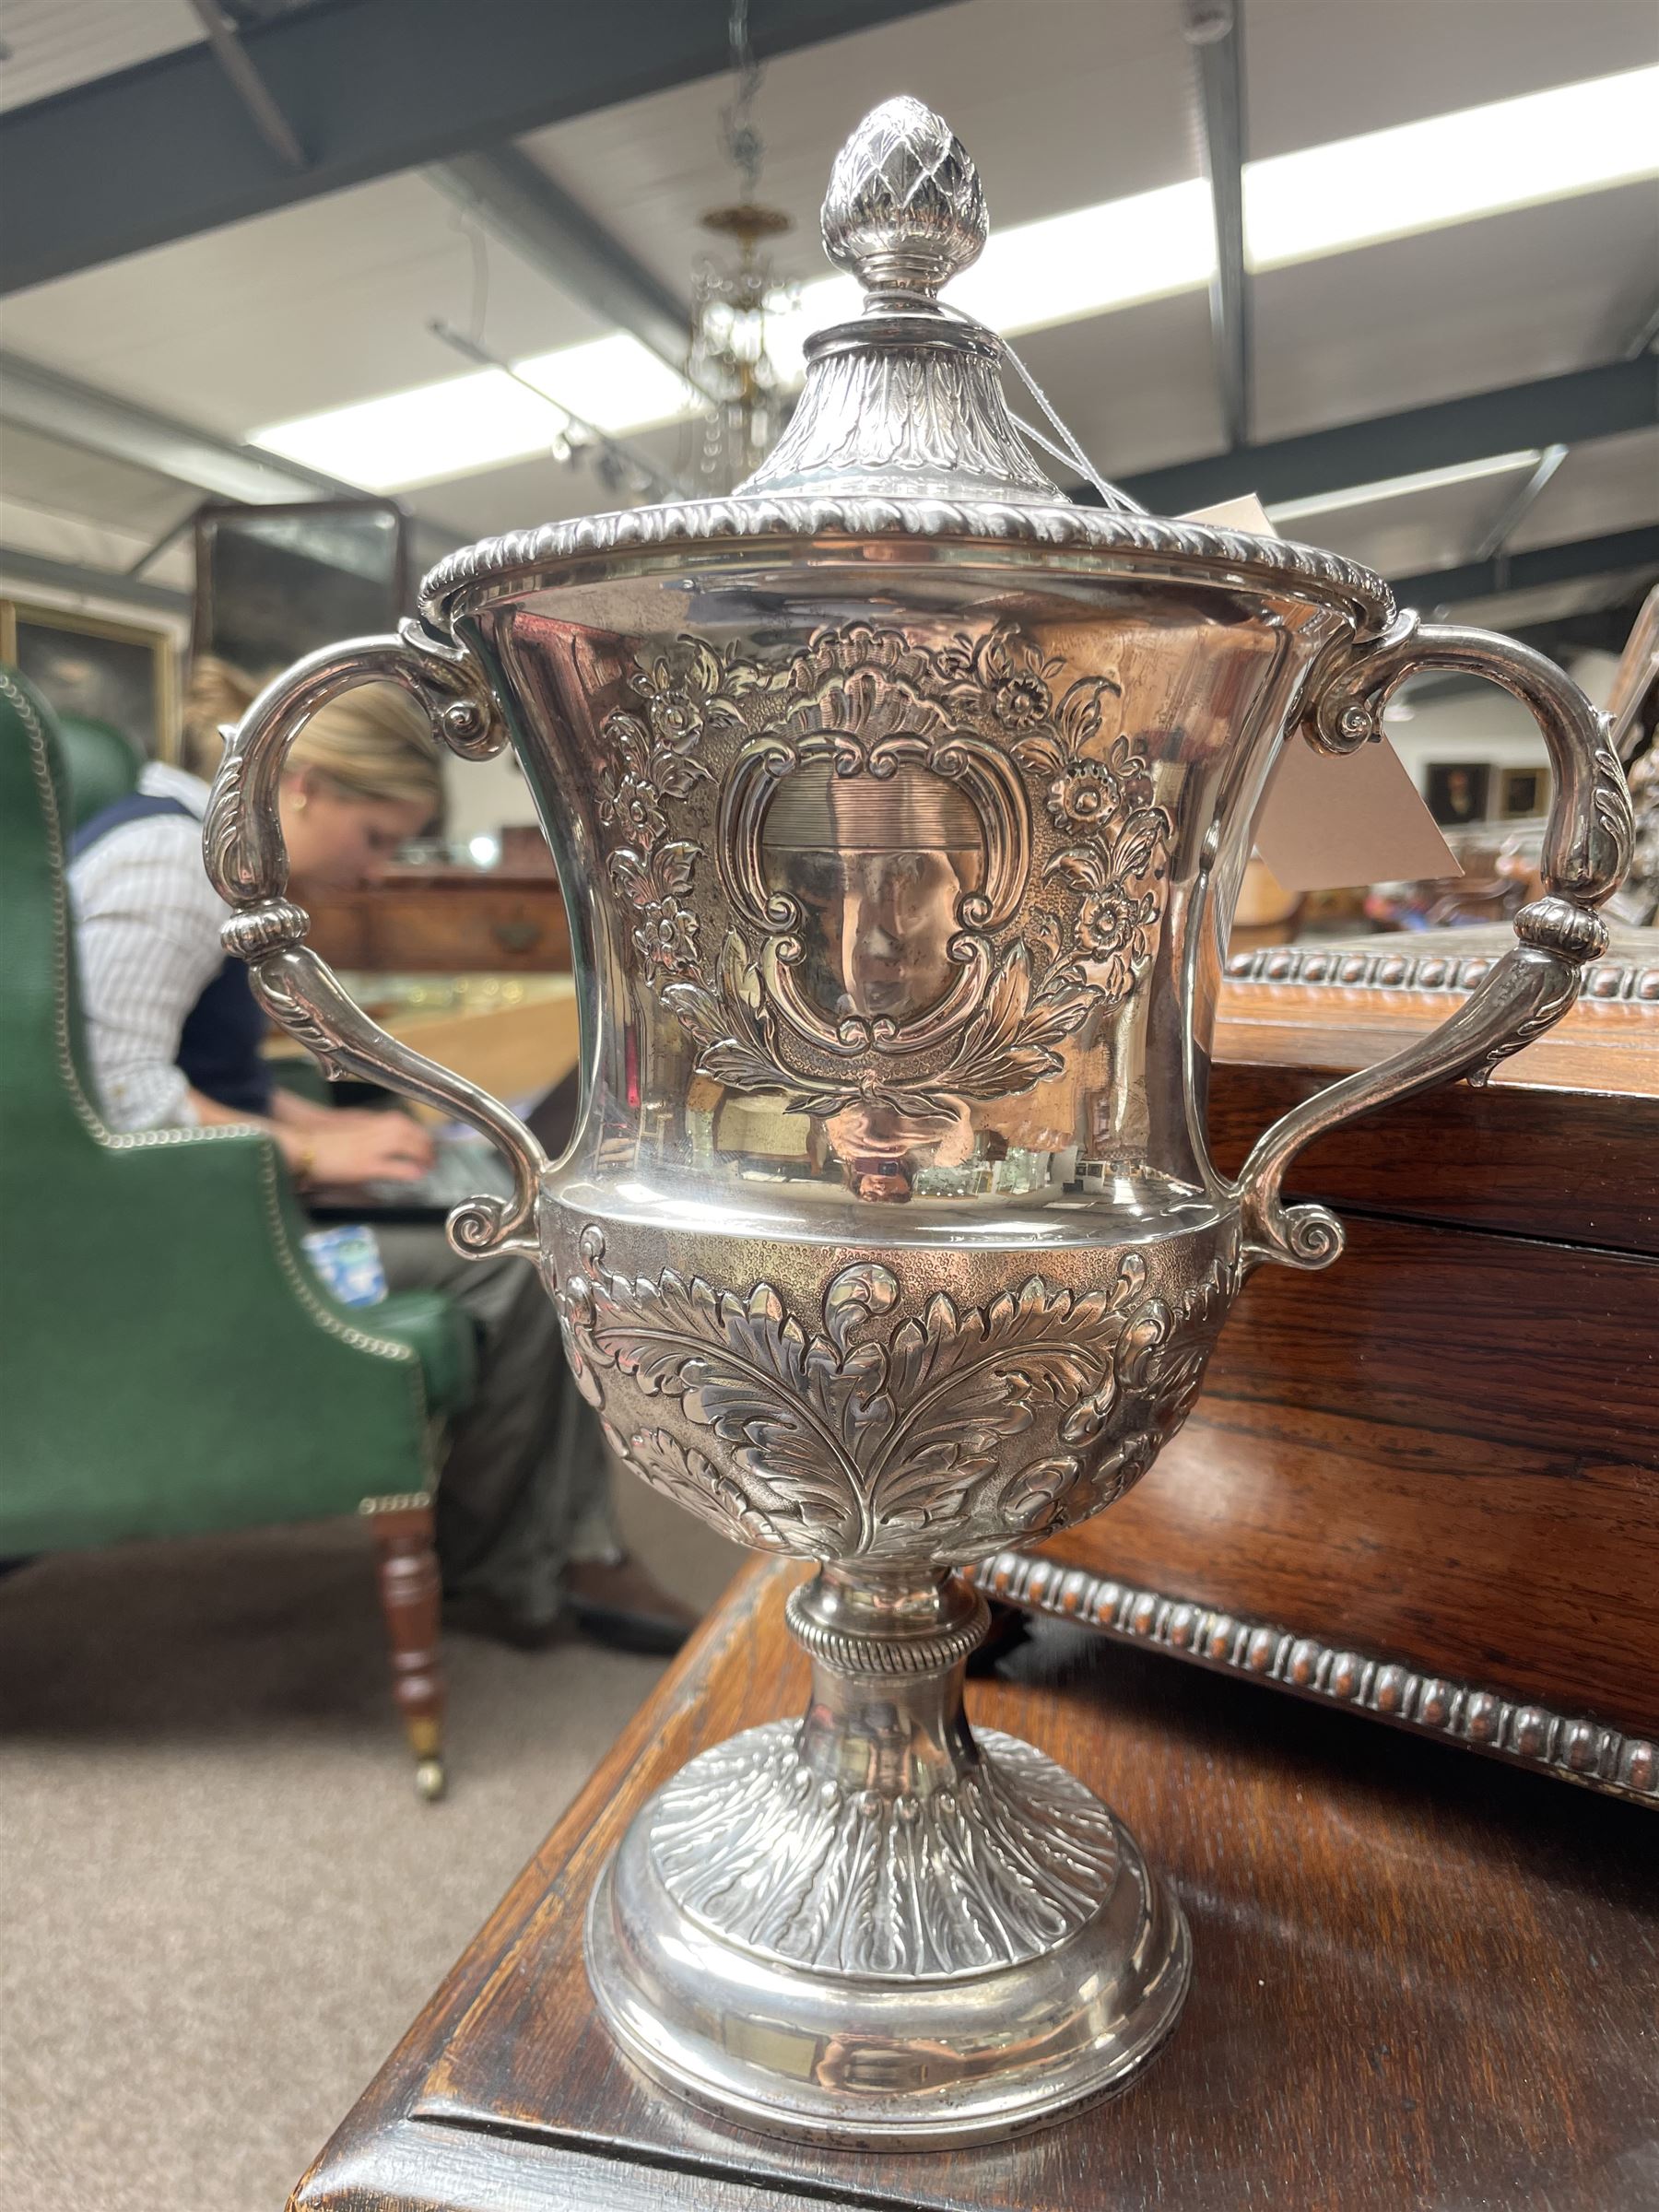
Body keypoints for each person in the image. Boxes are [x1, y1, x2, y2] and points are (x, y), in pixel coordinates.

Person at [67, 655, 693, 1653]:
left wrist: (324, 1129)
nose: (370, 871)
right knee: (520, 1261)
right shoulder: (163, 867)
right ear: (301, 787)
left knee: (521, 1220)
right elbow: (122, 1103)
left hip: (215, 1207)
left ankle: (556, 1548)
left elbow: (202, 1073)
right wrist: (315, 1159)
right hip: (188, 1246)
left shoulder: (189, 854)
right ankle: (512, 1565)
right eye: (374, 839)